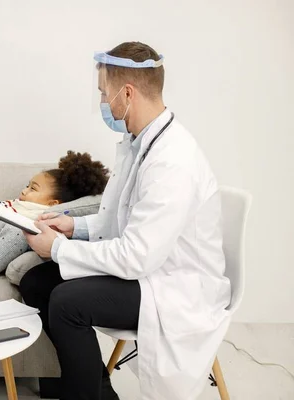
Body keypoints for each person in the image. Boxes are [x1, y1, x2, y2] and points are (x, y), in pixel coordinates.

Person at [20, 42, 231, 400]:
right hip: (150, 268)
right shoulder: (138, 142)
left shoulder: (173, 161)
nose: (103, 102)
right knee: (37, 283)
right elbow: (119, 217)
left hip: (172, 286)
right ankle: (94, 388)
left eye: (105, 93)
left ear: (127, 93)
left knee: (68, 303)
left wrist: (58, 249)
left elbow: (136, 257)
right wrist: (73, 228)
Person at [0, 151, 108, 281]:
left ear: (52, 204)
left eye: (33, 189)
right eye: (27, 186)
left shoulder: (20, 230)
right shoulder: (4, 211)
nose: (23, 191)